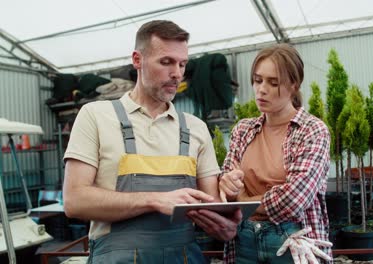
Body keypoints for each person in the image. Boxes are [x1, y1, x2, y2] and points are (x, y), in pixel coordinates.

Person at [62, 20, 241, 263]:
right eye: (166, 62)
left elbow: (210, 205)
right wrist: (155, 200)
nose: (177, 73)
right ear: (137, 60)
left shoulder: (196, 128)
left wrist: (226, 221)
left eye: (182, 64)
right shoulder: (96, 116)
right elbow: (74, 201)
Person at [218, 44, 333, 264]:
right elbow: (226, 179)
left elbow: (294, 198)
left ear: (294, 85)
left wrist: (243, 199)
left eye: (273, 83)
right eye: (257, 80)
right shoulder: (243, 130)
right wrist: (226, 184)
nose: (261, 89)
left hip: (293, 241)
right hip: (244, 240)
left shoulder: (311, 130)